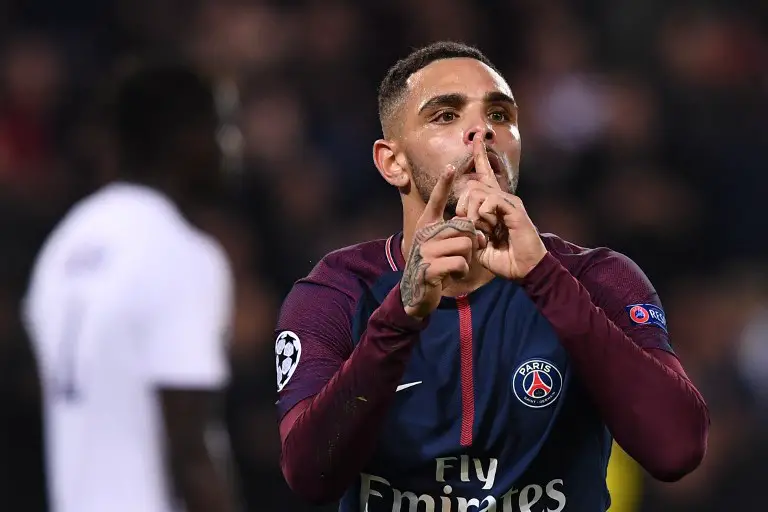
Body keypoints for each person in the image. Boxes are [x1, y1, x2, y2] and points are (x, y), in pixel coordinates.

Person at [274, 42, 710, 512]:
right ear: (392, 162)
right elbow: (310, 476)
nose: (482, 130)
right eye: (445, 115)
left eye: (500, 115)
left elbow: (677, 450)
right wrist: (400, 317)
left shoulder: (598, 278)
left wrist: (545, 279)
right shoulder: (339, 291)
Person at [22, 63, 237, 512]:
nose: (230, 146)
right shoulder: (179, 252)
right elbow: (189, 453)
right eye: (220, 128)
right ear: (184, 137)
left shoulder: (63, 245)